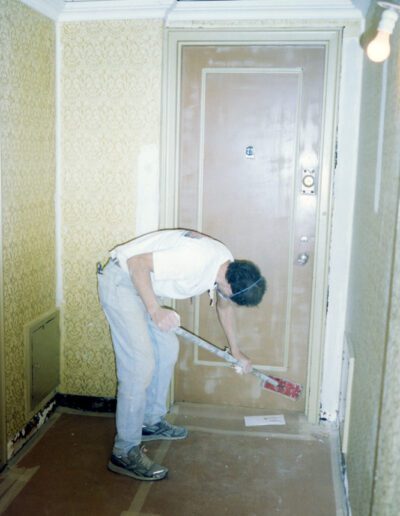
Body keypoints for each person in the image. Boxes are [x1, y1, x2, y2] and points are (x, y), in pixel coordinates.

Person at [97, 228, 266, 481]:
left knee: (167, 349)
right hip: (122, 280)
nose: (230, 299)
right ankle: (124, 450)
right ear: (230, 284)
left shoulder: (226, 265)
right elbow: (136, 263)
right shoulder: (194, 261)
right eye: (235, 297)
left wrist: (236, 350)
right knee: (139, 365)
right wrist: (155, 311)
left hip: (143, 285)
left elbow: (225, 306)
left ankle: (149, 422)